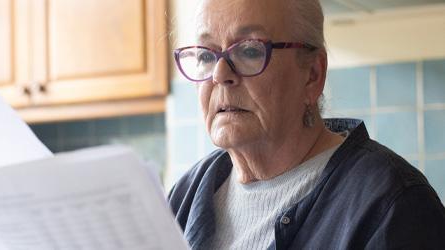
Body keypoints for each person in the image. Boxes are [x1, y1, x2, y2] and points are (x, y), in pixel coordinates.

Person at [168, 0, 445, 249]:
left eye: (250, 51)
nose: (220, 74)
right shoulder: (185, 196)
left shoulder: (392, 206)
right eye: (206, 55)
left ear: (313, 75)